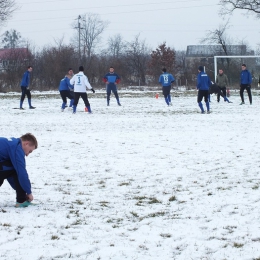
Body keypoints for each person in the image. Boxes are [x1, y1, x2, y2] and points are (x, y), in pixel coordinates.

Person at [0, 133, 38, 208]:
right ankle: (21, 201)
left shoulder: (13, 143)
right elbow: (21, 172)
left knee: (11, 168)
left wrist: (22, 191)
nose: (27, 154)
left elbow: (11, 174)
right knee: (15, 169)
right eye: (30, 151)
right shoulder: (17, 148)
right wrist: (29, 192)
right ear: (26, 143)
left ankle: (22, 200)